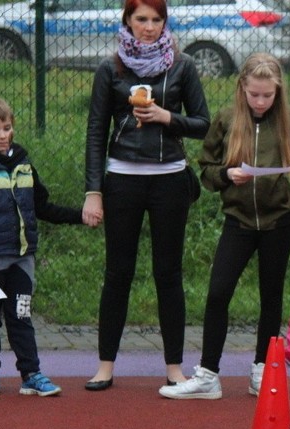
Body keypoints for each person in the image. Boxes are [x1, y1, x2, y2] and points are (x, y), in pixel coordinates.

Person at [159, 53, 290, 400]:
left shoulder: (288, 119)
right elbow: (206, 168)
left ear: (278, 92)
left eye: (268, 95)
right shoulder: (226, 119)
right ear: (242, 88)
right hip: (239, 220)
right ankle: (208, 374)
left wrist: (287, 158)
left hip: (279, 220)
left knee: (271, 295)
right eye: (255, 94)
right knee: (218, 292)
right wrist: (226, 175)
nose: (261, 101)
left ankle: (262, 371)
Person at [82, 0, 210, 391]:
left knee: (167, 274)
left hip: (170, 179)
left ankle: (174, 367)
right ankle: (105, 366)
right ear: (127, 21)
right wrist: (94, 191)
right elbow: (95, 133)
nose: (149, 27)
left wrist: (168, 118)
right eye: (141, 19)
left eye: (157, 20)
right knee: (117, 273)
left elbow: (203, 124)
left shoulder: (183, 65)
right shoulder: (110, 68)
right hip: (122, 179)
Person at [0, 96, 95, 396]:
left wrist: (80, 217)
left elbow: (42, 206)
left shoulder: (23, 163)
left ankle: (31, 374)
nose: (2, 134)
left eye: (6, 127)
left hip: (22, 258)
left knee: (21, 316)